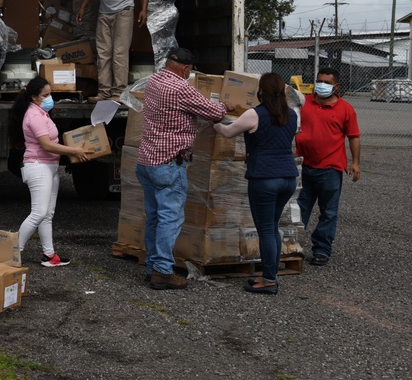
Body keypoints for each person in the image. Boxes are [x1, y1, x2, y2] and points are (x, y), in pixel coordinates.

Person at [136, 47, 227, 289]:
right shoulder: (181, 87)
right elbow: (214, 112)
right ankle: (163, 271)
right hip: (168, 163)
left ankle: (153, 266)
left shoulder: (154, 80)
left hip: (146, 160)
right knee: (170, 217)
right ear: (186, 69)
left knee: (154, 217)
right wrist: (225, 106)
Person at [212, 73, 298, 295]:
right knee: (273, 226)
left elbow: (228, 132)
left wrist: (213, 121)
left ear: (261, 91)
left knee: (266, 229)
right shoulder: (292, 114)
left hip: (264, 178)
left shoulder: (254, 114)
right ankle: (271, 273)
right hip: (288, 177)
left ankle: (269, 280)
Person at [11, 76, 91, 267]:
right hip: (39, 167)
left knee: (47, 213)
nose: (50, 98)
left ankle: (49, 255)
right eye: (45, 95)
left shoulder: (40, 112)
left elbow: (52, 142)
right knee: (38, 213)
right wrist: (74, 151)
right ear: (33, 97)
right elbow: (47, 145)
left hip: (49, 167)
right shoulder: (35, 116)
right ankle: (13, 253)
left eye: (50, 94)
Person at [294, 67, 360, 266]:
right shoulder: (303, 102)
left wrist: (355, 162)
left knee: (329, 212)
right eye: (319, 81)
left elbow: (353, 136)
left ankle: (322, 250)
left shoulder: (345, 109)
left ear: (336, 86)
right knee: (298, 209)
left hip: (330, 168)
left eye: (327, 83)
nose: (321, 85)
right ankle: (292, 247)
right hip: (303, 166)